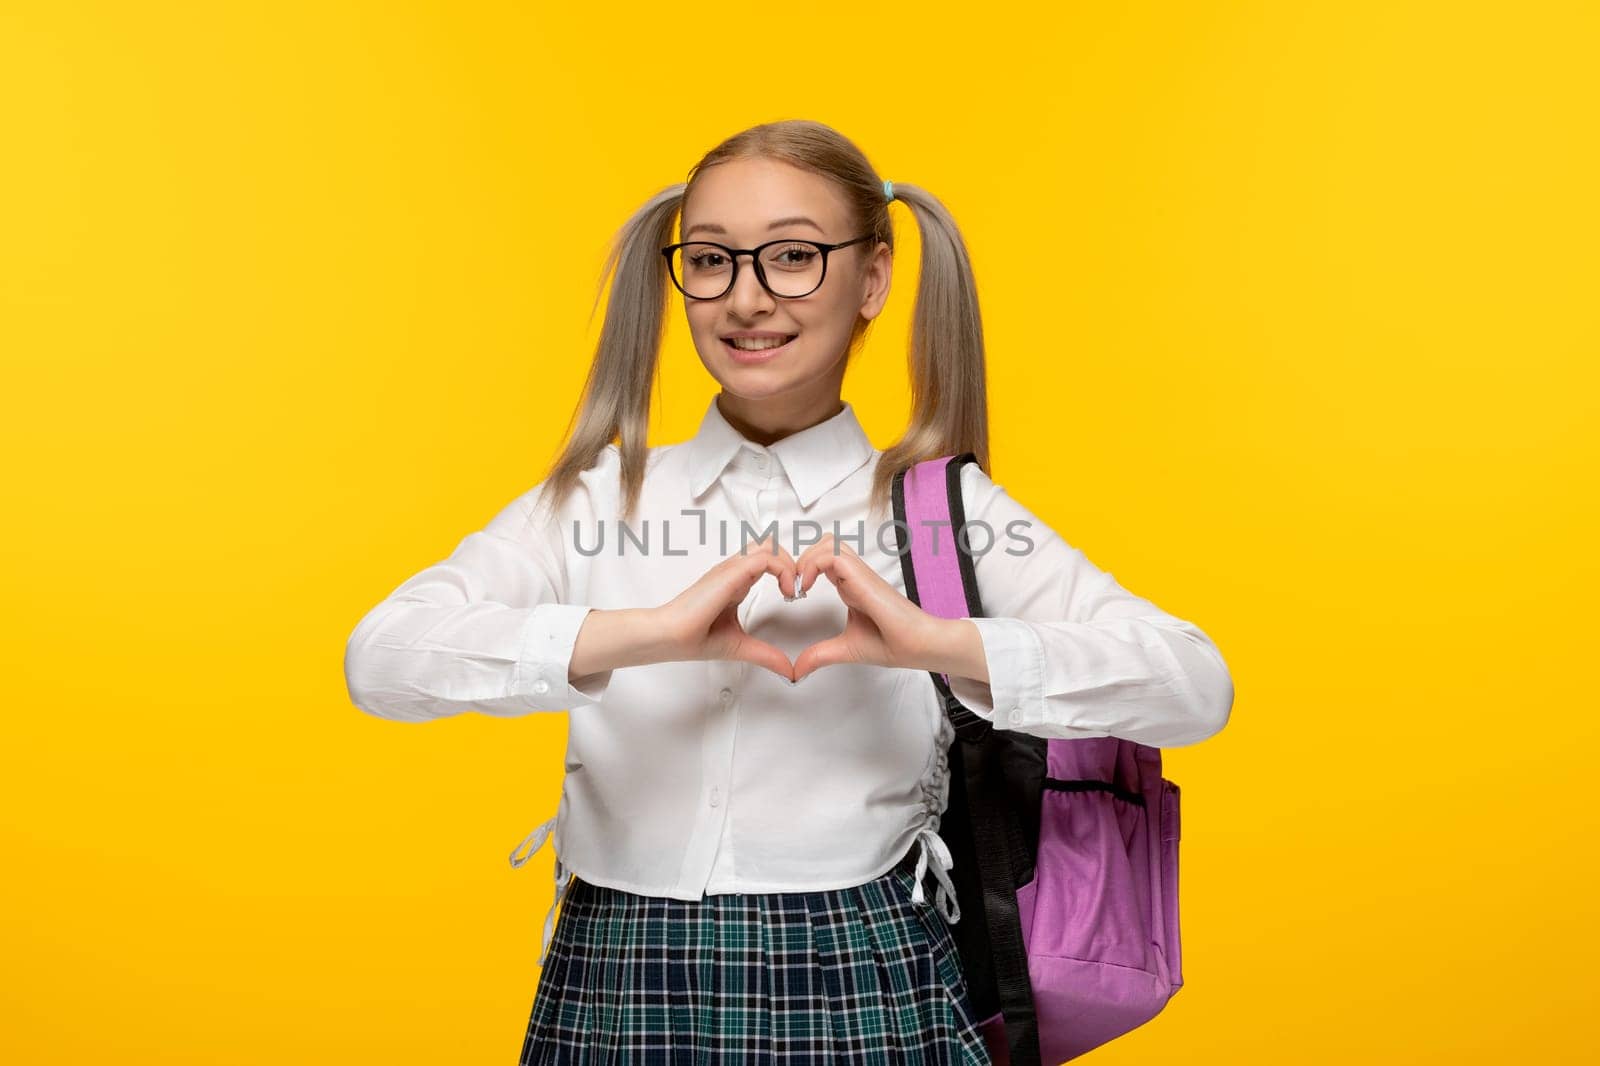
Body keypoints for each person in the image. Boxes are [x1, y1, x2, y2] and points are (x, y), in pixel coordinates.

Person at [343, 119, 1234, 1066]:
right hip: (613, 973)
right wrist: (643, 634)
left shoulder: (939, 511)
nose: (747, 297)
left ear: (875, 280)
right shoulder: (598, 498)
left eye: (794, 257)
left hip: (865, 971)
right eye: (713, 259)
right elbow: (382, 660)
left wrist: (937, 646)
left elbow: (1194, 685)